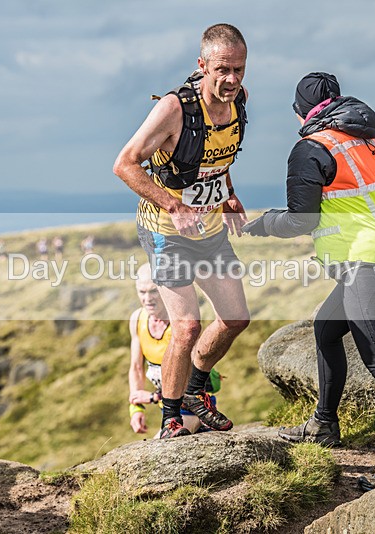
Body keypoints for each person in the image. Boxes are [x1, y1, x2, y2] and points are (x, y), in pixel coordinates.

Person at [243, 72, 375, 491]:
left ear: (301, 110)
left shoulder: (311, 147)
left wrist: (263, 225)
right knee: (326, 328)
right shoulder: (363, 140)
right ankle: (324, 424)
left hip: (366, 263)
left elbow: (303, 219)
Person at [113, 23, 251, 439]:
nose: (231, 81)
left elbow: (216, 160)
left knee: (235, 318)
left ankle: (194, 391)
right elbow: (124, 164)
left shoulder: (239, 101)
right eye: (222, 70)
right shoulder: (175, 109)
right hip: (165, 231)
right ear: (202, 65)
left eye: (239, 70)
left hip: (208, 231)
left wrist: (228, 194)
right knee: (187, 326)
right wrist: (173, 205)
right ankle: (171, 417)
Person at [128, 264, 222, 437]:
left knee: (159, 450)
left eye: (154, 291)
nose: (148, 298)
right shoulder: (137, 319)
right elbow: (136, 367)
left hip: (192, 410)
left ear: (165, 289)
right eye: (142, 292)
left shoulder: (182, 325)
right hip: (169, 412)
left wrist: (152, 397)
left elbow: (192, 379)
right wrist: (136, 408)